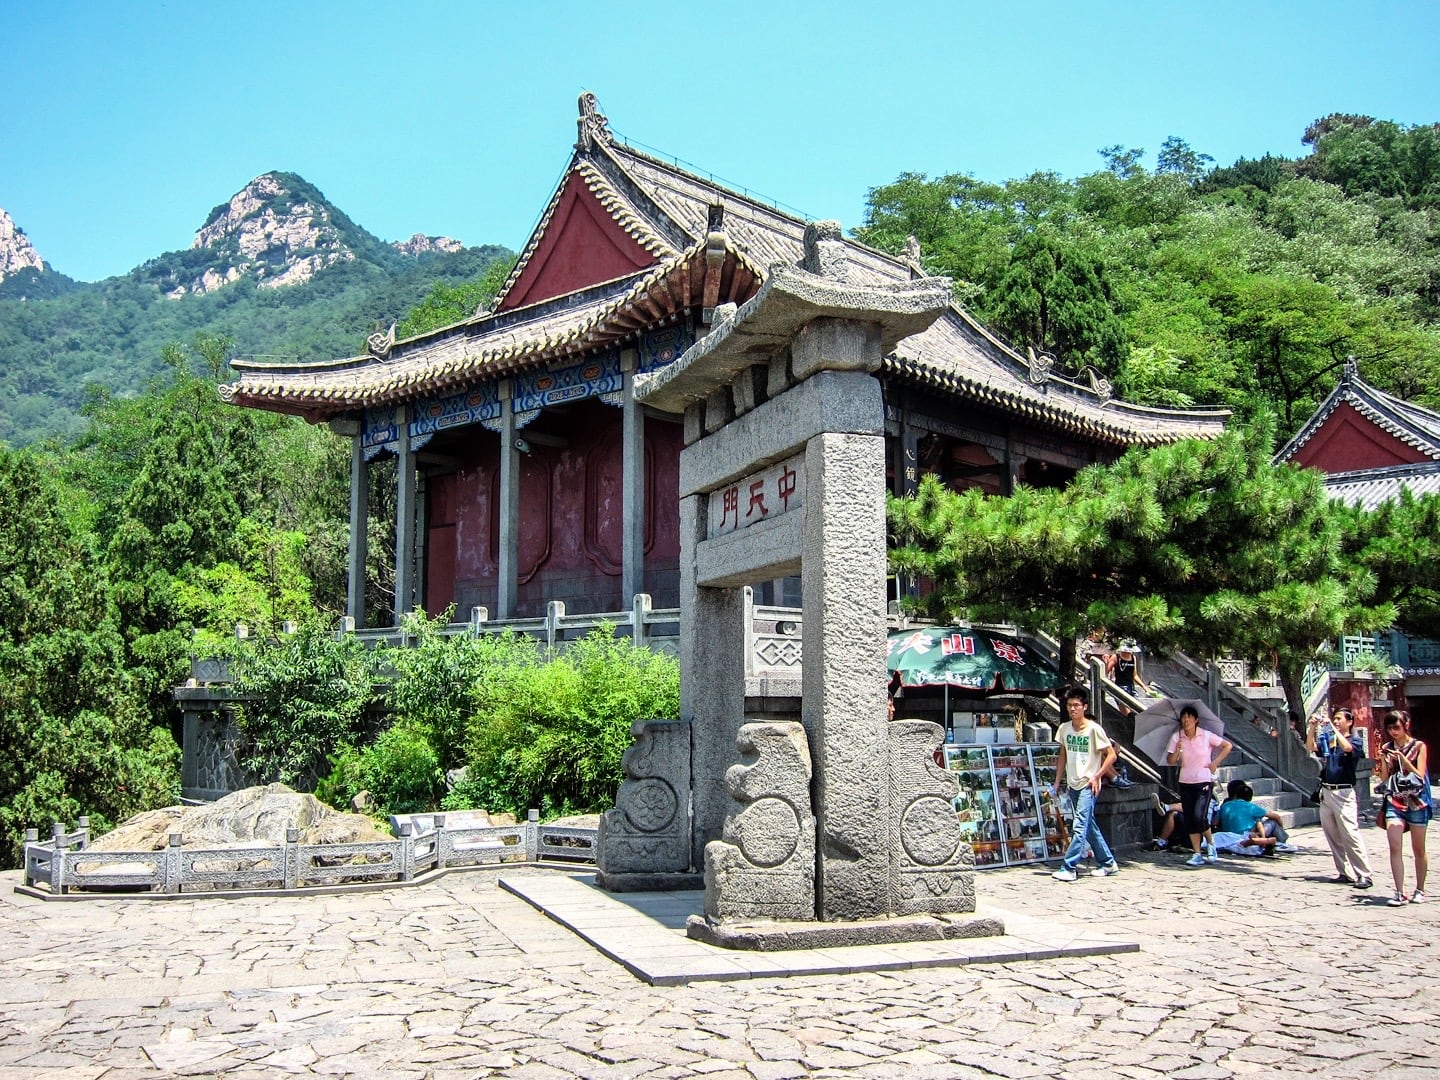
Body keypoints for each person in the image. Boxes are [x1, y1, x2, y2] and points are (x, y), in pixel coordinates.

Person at [1051, 687, 1119, 881]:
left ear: (1084, 707)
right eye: (1070, 705)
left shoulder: (1094, 730)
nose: (1073, 709)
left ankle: (1069, 866)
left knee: (1080, 825)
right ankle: (1107, 862)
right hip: (1073, 782)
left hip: (1089, 784)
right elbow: (1063, 754)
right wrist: (1057, 781)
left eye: (1076, 706)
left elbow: (1111, 754)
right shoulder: (1064, 729)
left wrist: (1097, 775)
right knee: (1089, 826)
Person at [1305, 707, 1374, 889]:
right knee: (1332, 834)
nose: (1336, 721)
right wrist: (1312, 728)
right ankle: (1345, 872)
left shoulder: (1355, 740)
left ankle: (1364, 874)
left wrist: (1333, 729)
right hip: (1327, 791)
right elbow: (1311, 747)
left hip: (1344, 792)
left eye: (1339, 719)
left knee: (1350, 834)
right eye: (1334, 719)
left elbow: (1348, 748)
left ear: (1349, 721)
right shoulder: (1330, 740)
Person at [1374, 709, 1431, 906]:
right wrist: (1383, 760)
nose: (1393, 732)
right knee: (1394, 844)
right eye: (1390, 728)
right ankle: (1399, 891)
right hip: (1395, 801)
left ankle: (1420, 888)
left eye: (1396, 727)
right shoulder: (1387, 747)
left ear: (1405, 725)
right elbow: (1384, 780)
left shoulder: (1418, 746)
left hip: (1417, 801)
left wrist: (1404, 760)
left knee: (1418, 849)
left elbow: (1420, 775)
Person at [1165, 706, 1233, 868]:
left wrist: (1215, 763)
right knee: (1189, 818)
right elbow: (1170, 761)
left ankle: (1210, 843)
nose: (1186, 720)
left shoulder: (1206, 735)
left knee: (1198, 816)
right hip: (1185, 781)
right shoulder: (1177, 737)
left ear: (1196, 720)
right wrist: (1178, 750)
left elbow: (1227, 746)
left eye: (1189, 717)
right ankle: (1197, 853)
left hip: (1203, 780)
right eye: (1183, 718)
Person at [1214, 779, 1291, 852]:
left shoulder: (1225, 805)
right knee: (1272, 822)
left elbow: (1215, 822)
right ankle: (1281, 842)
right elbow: (1276, 816)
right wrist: (1281, 827)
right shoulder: (1251, 807)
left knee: (1258, 821)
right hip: (1246, 834)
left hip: (1228, 834)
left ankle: (1264, 840)